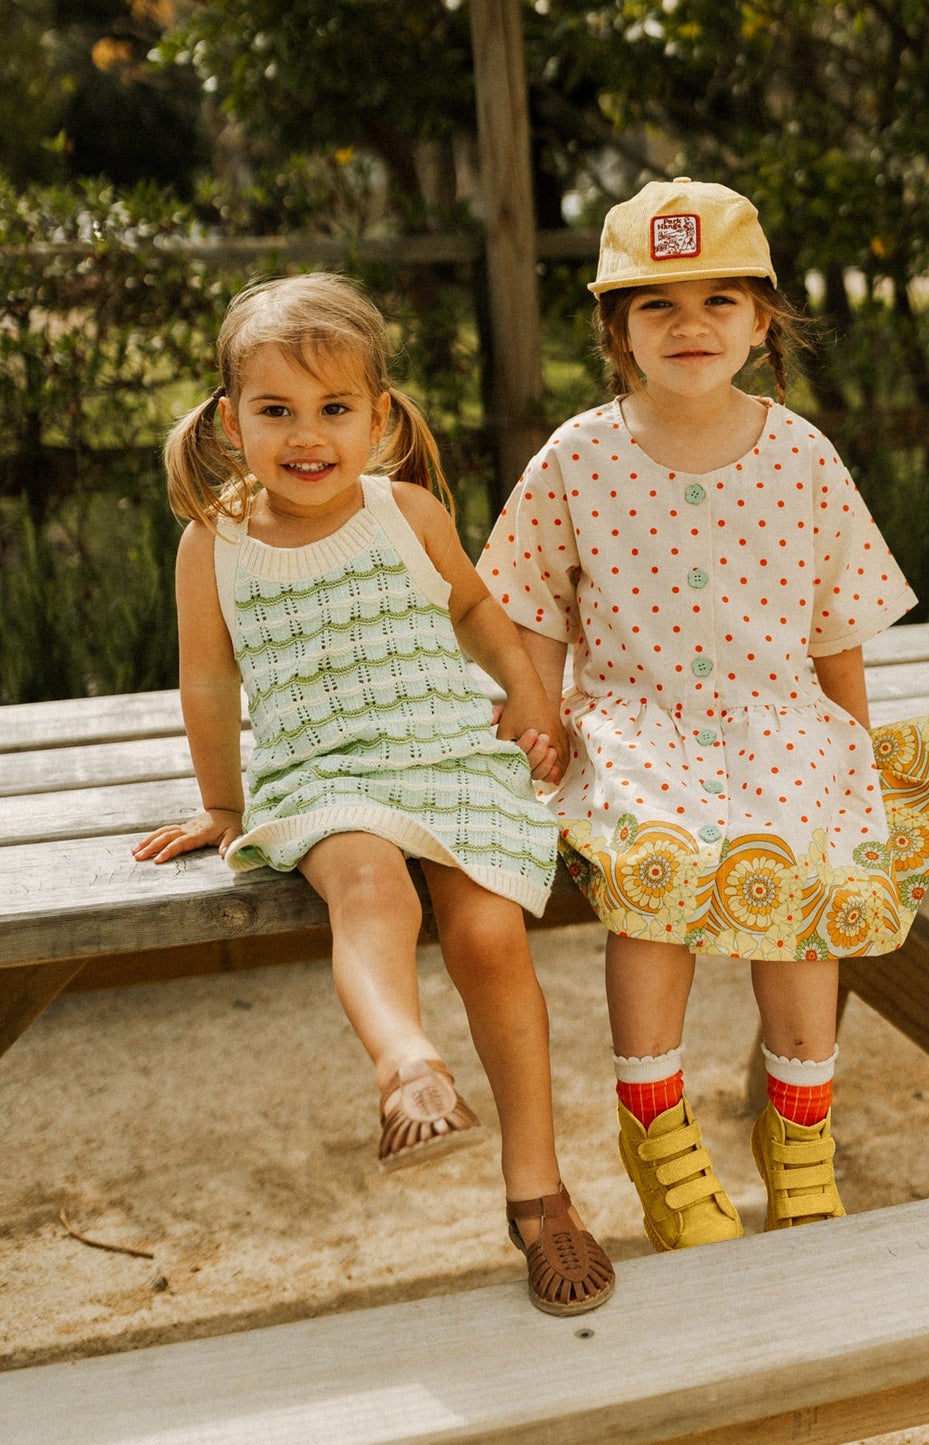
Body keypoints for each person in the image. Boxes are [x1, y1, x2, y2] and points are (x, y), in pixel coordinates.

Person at [480, 179, 929, 1252]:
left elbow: (837, 621)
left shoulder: (802, 457)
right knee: (656, 876)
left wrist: (854, 746)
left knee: (808, 874)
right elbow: (531, 600)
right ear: (616, 330)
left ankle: (799, 1141)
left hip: (778, 717)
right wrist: (537, 714)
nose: (690, 325)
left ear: (762, 320)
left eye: (718, 301)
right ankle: (656, 1134)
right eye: (656, 304)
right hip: (634, 722)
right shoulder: (576, 456)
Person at [133, 273, 613, 1317]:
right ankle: (409, 1070)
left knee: (489, 933)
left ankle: (538, 1193)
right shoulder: (215, 542)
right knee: (369, 887)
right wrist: (222, 804)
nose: (307, 435)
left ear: (379, 416)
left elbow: (481, 612)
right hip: (325, 774)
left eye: (334, 408)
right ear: (230, 421)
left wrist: (533, 703)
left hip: (447, 754)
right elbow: (208, 676)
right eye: (276, 410)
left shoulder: (407, 511)